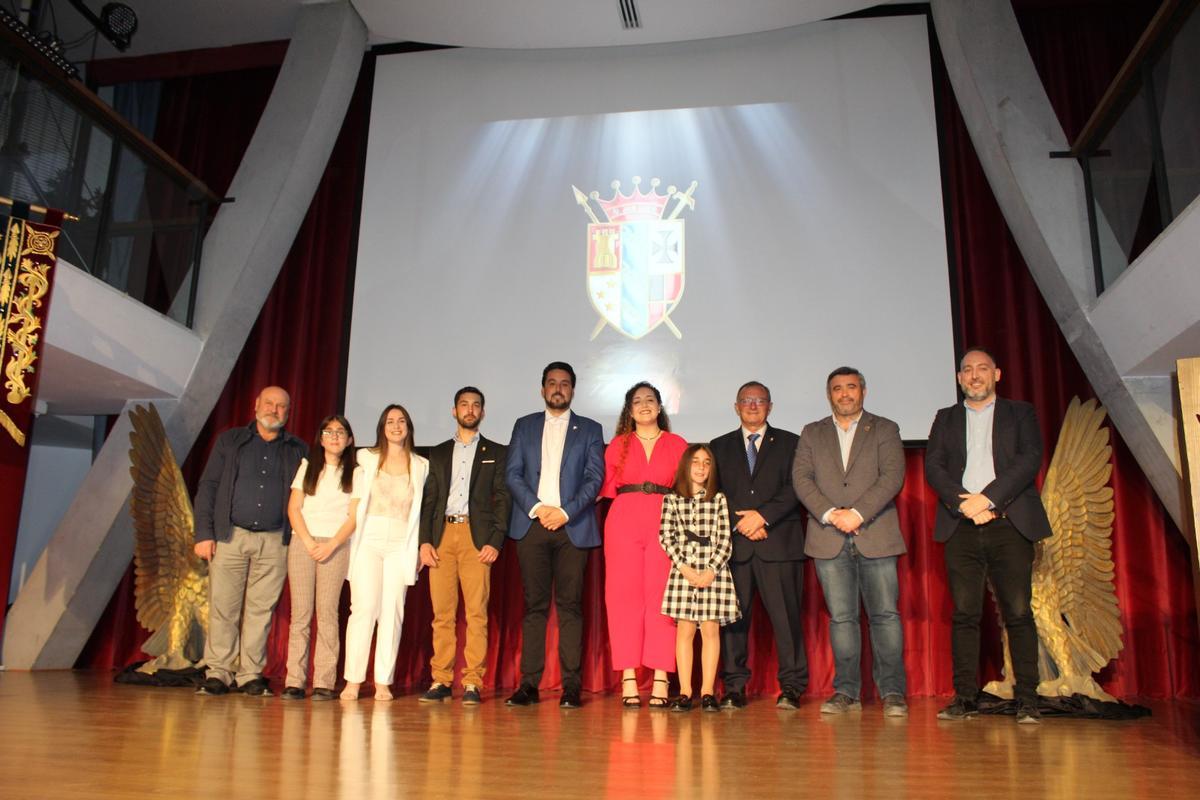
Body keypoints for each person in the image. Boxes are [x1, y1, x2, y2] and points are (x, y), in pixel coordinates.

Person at [925, 347, 1052, 724]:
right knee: (965, 614)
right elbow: (934, 466)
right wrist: (963, 503)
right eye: (967, 370)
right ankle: (965, 697)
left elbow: (1029, 459)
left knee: (1017, 612)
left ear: (997, 374)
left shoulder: (1020, 412)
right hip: (961, 524)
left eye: (982, 369)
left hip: (1009, 523)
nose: (975, 375)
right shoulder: (945, 418)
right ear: (960, 378)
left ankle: (1027, 698)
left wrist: (988, 498)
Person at [792, 367, 908, 717]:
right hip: (828, 536)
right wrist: (830, 513)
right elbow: (801, 478)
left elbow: (892, 476)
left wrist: (857, 514)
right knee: (842, 619)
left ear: (864, 391)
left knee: (885, 616)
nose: (845, 394)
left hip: (875, 533)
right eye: (838, 389)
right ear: (829, 394)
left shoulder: (885, 428)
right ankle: (846, 691)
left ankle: (892, 692)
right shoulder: (812, 432)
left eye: (851, 388)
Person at [193, 385, 307, 696]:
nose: (274, 409)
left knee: (261, 610)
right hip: (230, 536)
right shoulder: (230, 441)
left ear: (288, 412)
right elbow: (209, 486)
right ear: (256, 405)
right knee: (223, 608)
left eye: (281, 406)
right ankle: (218, 672)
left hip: (275, 542)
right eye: (269, 403)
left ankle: (250, 674)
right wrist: (204, 533)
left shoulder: (298, 449)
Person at [504, 361, 605, 709]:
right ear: (542, 389)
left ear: (573, 390)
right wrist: (538, 508)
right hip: (531, 525)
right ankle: (528, 685)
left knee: (570, 607)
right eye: (552, 383)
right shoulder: (524, 425)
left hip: (571, 527)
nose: (558, 388)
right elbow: (513, 474)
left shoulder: (590, 429)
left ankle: (572, 687)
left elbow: (595, 478)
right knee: (534, 607)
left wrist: (563, 512)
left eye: (564, 383)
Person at [710, 381, 807, 709]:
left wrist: (762, 517)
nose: (753, 405)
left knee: (786, 620)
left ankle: (792, 687)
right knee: (734, 622)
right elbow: (714, 493)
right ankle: (734, 687)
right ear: (736, 407)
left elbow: (798, 487)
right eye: (746, 401)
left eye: (759, 400)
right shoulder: (718, 446)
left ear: (770, 406)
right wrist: (742, 523)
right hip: (736, 547)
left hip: (779, 543)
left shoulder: (792, 443)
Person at [417, 387, 511, 705]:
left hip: (476, 538)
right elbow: (429, 500)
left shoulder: (496, 452)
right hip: (443, 536)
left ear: (483, 412)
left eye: (475, 405)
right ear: (453, 410)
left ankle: (472, 681)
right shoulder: (439, 452)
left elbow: (503, 500)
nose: (469, 410)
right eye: (464, 405)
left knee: (476, 614)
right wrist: (425, 541)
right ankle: (441, 680)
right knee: (442, 615)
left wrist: (495, 541)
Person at [600, 382, 688, 708]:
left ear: (660, 406)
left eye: (650, 400)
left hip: (666, 521)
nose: (644, 405)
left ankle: (662, 675)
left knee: (662, 599)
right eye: (637, 401)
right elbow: (605, 487)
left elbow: (689, 489)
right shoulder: (617, 445)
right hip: (623, 521)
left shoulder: (678, 444)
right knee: (623, 598)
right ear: (629, 410)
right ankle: (628, 677)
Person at [341, 404, 429, 701]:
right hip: (369, 540)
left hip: (400, 543)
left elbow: (420, 512)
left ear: (408, 427)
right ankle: (353, 680)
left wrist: (417, 550)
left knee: (393, 612)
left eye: (401, 421)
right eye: (390, 421)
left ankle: (382, 681)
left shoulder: (421, 465)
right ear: (381, 426)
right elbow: (355, 502)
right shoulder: (366, 458)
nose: (396, 426)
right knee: (364, 609)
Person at [282, 414, 361, 701]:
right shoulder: (307, 466)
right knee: (300, 615)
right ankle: (294, 680)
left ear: (350, 439)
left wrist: (331, 545)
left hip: (336, 546)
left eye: (341, 432)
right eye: (329, 432)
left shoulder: (356, 472)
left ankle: (324, 681)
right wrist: (307, 541)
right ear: (321, 437)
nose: (335, 437)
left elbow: (353, 517)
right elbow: (294, 509)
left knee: (327, 614)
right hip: (303, 542)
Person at [659, 444, 740, 713]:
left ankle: (707, 692)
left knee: (710, 630)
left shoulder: (718, 499)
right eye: (696, 462)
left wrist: (710, 571)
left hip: (712, 573)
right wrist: (684, 567)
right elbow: (666, 536)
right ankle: (684, 692)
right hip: (684, 572)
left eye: (707, 462)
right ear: (685, 465)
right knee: (684, 631)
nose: (701, 467)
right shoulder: (672, 499)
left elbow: (725, 540)